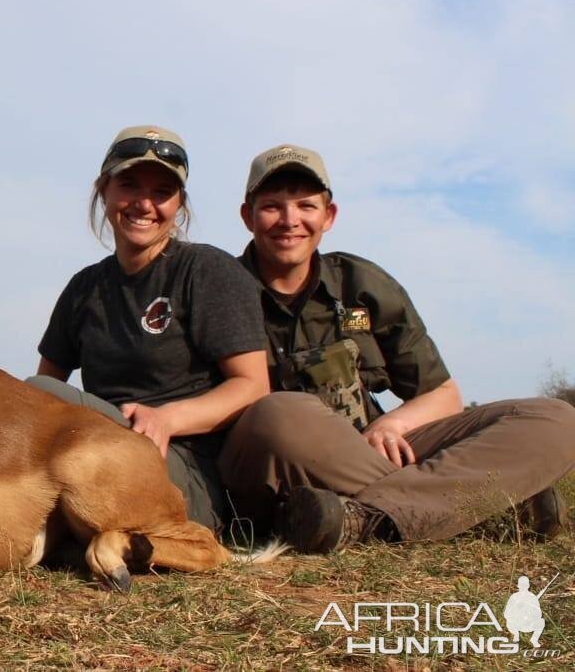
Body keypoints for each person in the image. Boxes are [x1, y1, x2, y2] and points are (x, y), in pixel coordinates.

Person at [220, 144, 575, 552]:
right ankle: (477, 510)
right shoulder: (217, 287)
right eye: (272, 207)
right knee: (279, 413)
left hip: (366, 450)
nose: (290, 220)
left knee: (555, 418)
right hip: (268, 462)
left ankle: (360, 518)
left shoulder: (361, 284)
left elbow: (443, 395)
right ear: (247, 216)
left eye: (306, 206)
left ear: (328, 216)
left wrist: (392, 425)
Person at [30, 126, 270, 534]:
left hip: (183, 467)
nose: (144, 204)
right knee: (34, 396)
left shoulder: (205, 270)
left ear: (179, 204)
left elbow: (253, 386)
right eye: (129, 186)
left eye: (162, 192)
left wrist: (166, 420)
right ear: (103, 191)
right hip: (106, 448)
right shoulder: (84, 288)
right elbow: (42, 385)